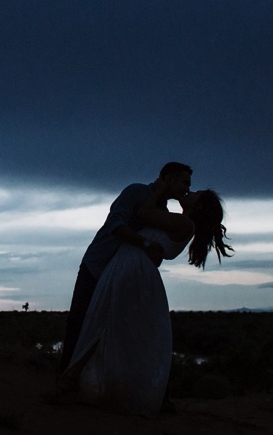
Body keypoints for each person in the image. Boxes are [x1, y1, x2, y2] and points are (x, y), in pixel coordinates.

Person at [54, 184, 233, 417]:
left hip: (132, 270)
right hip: (130, 268)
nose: (189, 191)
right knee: (108, 325)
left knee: (103, 323)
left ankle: (70, 380)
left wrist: (160, 188)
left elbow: (143, 214)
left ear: (198, 205)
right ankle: (80, 381)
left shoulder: (183, 224)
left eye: (195, 193)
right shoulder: (178, 221)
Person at [57, 162, 194, 378]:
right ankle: (64, 378)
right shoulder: (136, 192)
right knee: (80, 323)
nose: (187, 188)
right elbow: (116, 225)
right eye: (184, 182)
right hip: (98, 265)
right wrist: (145, 244)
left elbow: (156, 253)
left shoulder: (162, 211)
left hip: (122, 276)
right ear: (168, 178)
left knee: (113, 330)